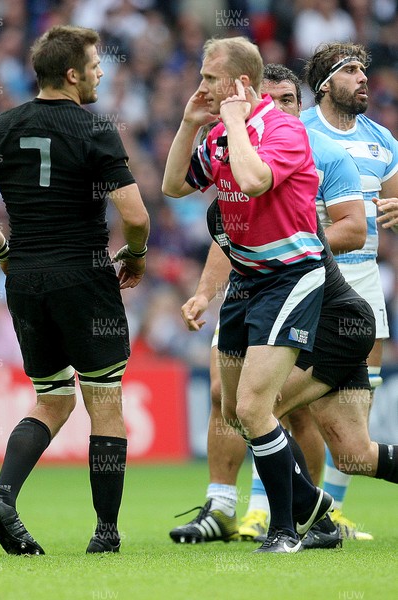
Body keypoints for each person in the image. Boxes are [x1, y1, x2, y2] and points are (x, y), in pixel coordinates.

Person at [169, 64, 398, 551]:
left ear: (301, 104)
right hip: (299, 304)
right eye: (266, 100)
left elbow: (353, 229)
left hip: (337, 318)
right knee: (349, 451)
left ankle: (289, 524)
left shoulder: (307, 154)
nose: (272, 110)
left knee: (258, 409)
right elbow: (218, 227)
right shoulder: (235, 169)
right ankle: (312, 518)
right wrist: (206, 292)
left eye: (285, 101)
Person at [0, 25, 149, 556]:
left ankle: (2, 497)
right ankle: (106, 533)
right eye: (94, 64)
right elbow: (135, 217)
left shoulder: (3, 125)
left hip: (27, 281)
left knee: (54, 398)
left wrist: (4, 254)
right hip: (84, 277)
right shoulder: (94, 129)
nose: (101, 71)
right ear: (72, 74)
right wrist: (135, 256)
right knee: (104, 401)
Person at [163, 37, 332, 554]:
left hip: (290, 275)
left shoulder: (284, 130)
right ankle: (311, 505)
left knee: (257, 407)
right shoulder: (215, 135)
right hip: (245, 280)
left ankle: (284, 530)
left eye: (210, 79)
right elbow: (173, 186)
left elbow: (256, 181)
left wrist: (236, 121)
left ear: (239, 83)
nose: (201, 87)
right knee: (236, 410)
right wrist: (193, 122)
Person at [301, 41, 398, 538]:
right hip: (309, 276)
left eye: (365, 69)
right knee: (284, 401)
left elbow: (395, 204)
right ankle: (270, 506)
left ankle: (329, 516)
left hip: (364, 278)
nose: (363, 77)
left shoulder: (382, 140)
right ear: (325, 84)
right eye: (351, 70)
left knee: (357, 414)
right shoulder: (299, 131)